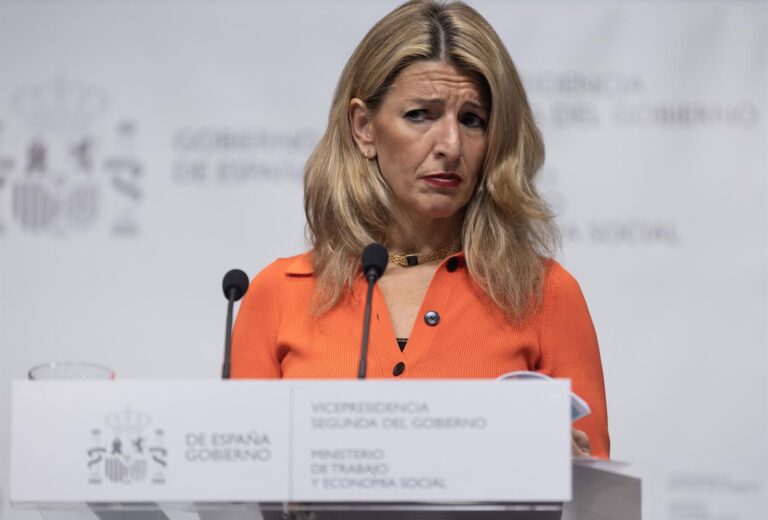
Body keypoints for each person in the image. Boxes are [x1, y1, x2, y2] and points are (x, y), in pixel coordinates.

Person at [231, 0, 609, 459]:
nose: (451, 145)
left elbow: (599, 492)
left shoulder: (544, 293)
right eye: (421, 115)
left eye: (472, 120)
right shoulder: (278, 292)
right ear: (364, 128)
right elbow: (238, 481)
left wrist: (566, 471)